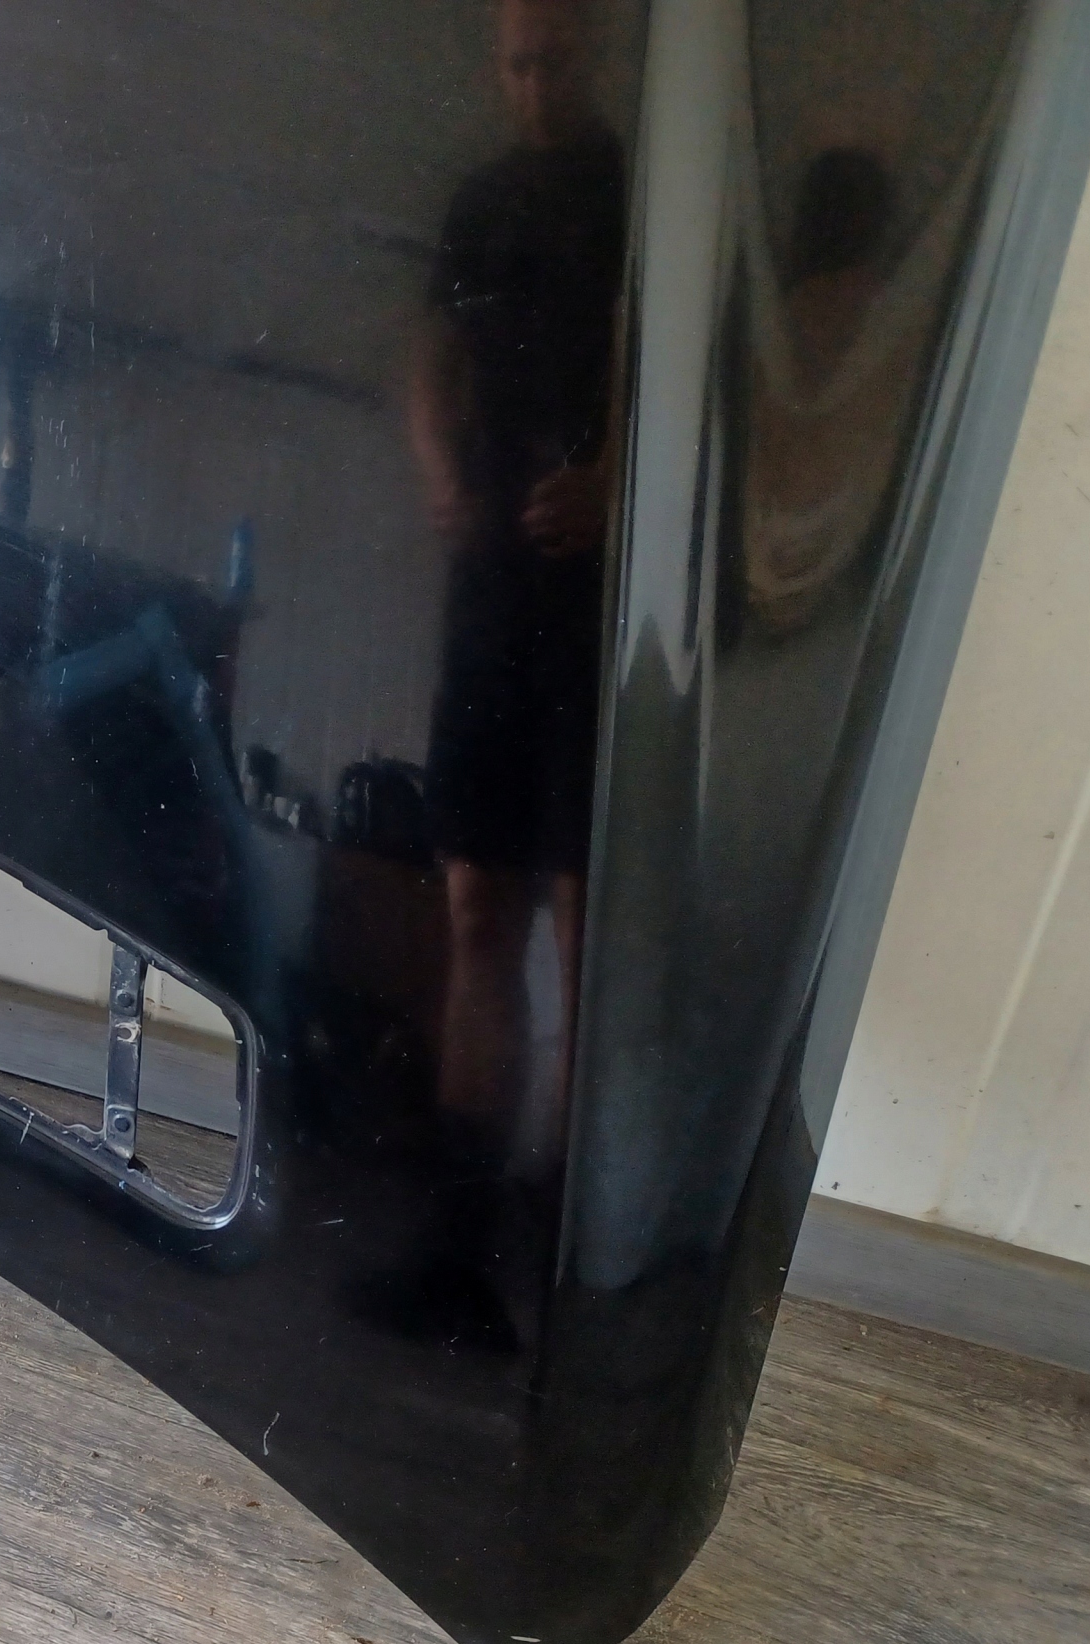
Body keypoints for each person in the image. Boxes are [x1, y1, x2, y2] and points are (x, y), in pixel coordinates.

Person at [408, 0, 626, 1192]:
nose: (536, 86)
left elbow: (679, 370)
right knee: (475, 900)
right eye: (518, 66)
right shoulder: (480, 204)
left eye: (556, 62)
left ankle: (562, 1214)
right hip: (486, 588)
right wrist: (441, 472)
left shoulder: (638, 195)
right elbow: (430, 356)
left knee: (586, 918)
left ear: (597, 54)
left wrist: (614, 486)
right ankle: (458, 1207)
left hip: (597, 604)